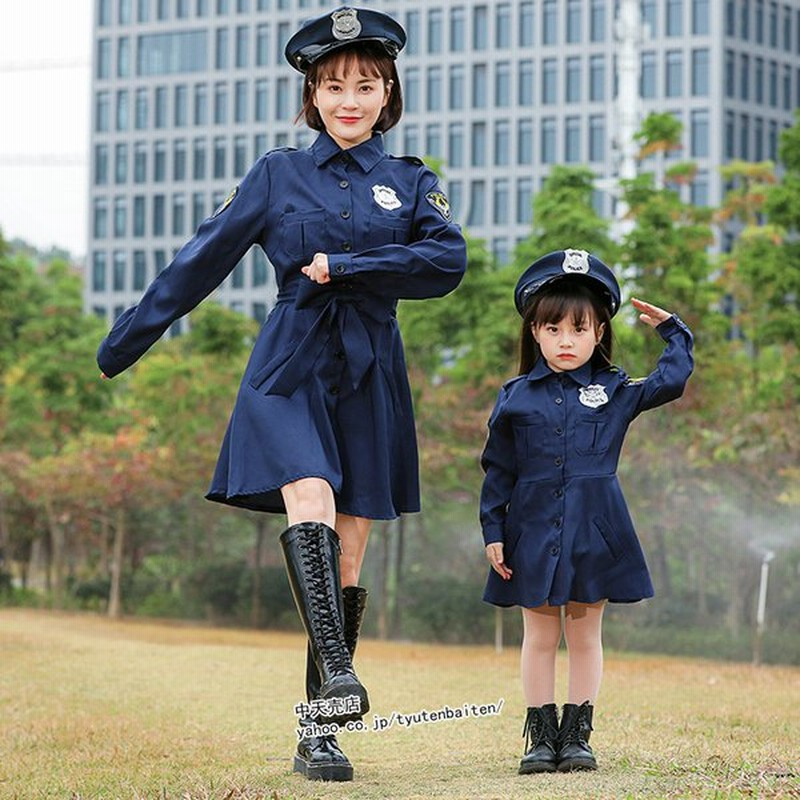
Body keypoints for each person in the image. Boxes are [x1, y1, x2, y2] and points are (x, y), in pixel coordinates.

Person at [96, 5, 467, 784]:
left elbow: (445, 265)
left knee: (353, 544)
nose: (350, 100)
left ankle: (321, 732)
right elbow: (198, 261)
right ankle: (340, 679)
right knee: (309, 494)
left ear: (388, 92)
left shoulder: (411, 181)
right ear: (312, 96)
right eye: (334, 86)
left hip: (371, 368)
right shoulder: (276, 174)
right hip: (291, 363)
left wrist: (350, 267)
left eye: (366, 84)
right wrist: (128, 339)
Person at [479, 249, 693, 774]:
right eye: (553, 329)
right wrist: (493, 530)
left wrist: (675, 333)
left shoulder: (616, 389)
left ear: (600, 332)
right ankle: (539, 737)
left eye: (580, 328)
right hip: (529, 527)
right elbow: (497, 471)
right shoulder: (514, 398)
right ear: (534, 332)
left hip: (595, 530)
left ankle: (576, 737)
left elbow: (670, 381)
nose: (566, 340)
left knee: (584, 634)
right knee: (539, 636)